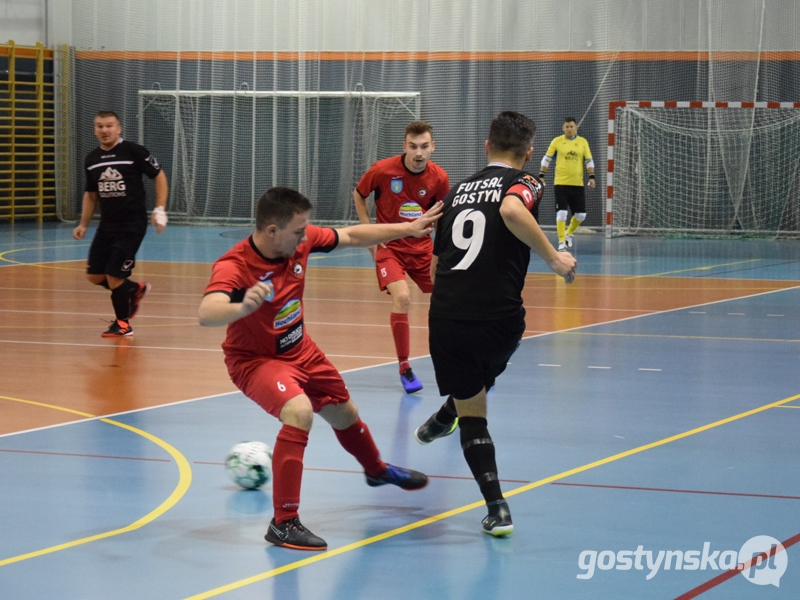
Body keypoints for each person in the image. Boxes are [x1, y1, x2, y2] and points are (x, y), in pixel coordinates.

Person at [199, 186, 443, 551]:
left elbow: (351, 235)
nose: (304, 236)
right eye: (297, 231)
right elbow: (207, 312)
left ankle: (375, 470)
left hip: (301, 349)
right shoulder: (235, 266)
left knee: (345, 414)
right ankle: (284, 523)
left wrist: (407, 229)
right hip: (255, 361)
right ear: (271, 231)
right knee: (298, 412)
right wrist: (240, 308)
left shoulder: (300, 241)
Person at [413, 111, 577, 537]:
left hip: (447, 314)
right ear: (528, 153)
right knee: (479, 397)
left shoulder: (458, 190)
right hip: (500, 317)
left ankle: (496, 505)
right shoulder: (527, 182)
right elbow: (509, 209)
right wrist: (555, 258)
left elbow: (432, 267)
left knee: (470, 405)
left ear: (486, 147)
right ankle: (494, 499)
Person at [353, 121, 450, 394]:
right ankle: (405, 367)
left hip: (422, 250)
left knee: (452, 297)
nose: (418, 153)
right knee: (403, 297)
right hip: (390, 248)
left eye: (424, 147)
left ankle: (468, 363)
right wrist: (369, 233)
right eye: (413, 146)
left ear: (432, 147)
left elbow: (443, 217)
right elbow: (360, 195)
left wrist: (439, 253)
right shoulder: (382, 170)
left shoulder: (439, 177)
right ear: (404, 146)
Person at [73, 110, 169, 337]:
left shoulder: (133, 151)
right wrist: (83, 224)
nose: (104, 130)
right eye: (99, 126)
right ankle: (134, 289)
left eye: (109, 126)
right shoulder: (92, 159)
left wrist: (160, 208)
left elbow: (159, 176)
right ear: (95, 129)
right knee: (95, 275)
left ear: (119, 128)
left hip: (131, 225)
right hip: (107, 225)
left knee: (115, 275)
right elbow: (91, 195)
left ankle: (123, 324)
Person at [538, 116, 595, 251]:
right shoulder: (557, 142)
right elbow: (546, 159)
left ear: (576, 127)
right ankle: (561, 242)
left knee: (581, 215)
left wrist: (591, 176)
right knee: (562, 213)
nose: (569, 129)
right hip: (561, 183)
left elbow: (589, 160)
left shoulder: (583, 142)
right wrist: (541, 175)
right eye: (567, 127)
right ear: (563, 128)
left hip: (578, 184)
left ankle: (568, 233)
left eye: (571, 126)